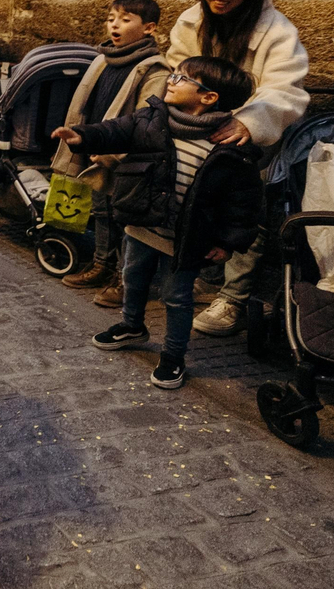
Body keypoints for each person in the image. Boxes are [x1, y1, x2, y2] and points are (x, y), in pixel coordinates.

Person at [55, 57, 262, 389]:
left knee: (177, 298)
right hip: (142, 226)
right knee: (133, 279)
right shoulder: (153, 118)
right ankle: (132, 325)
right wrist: (82, 137)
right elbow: (116, 130)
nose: (171, 80)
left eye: (181, 79)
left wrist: (227, 242)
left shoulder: (231, 147)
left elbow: (243, 203)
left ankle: (173, 356)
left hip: (185, 240)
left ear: (208, 97)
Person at [169, 0, 310, 337]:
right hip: (198, 126)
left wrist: (247, 122)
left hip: (247, 132)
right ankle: (197, 271)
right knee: (191, 198)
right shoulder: (192, 20)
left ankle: (233, 297)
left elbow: (284, 88)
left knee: (244, 210)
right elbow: (177, 69)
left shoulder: (278, 32)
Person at [53, 0, 170, 309]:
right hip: (96, 144)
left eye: (125, 19)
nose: (115, 24)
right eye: (111, 18)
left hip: (125, 157)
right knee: (101, 212)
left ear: (149, 28)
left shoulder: (153, 69)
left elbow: (145, 120)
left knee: (125, 219)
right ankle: (101, 264)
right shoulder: (103, 58)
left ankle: (125, 278)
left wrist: (110, 150)